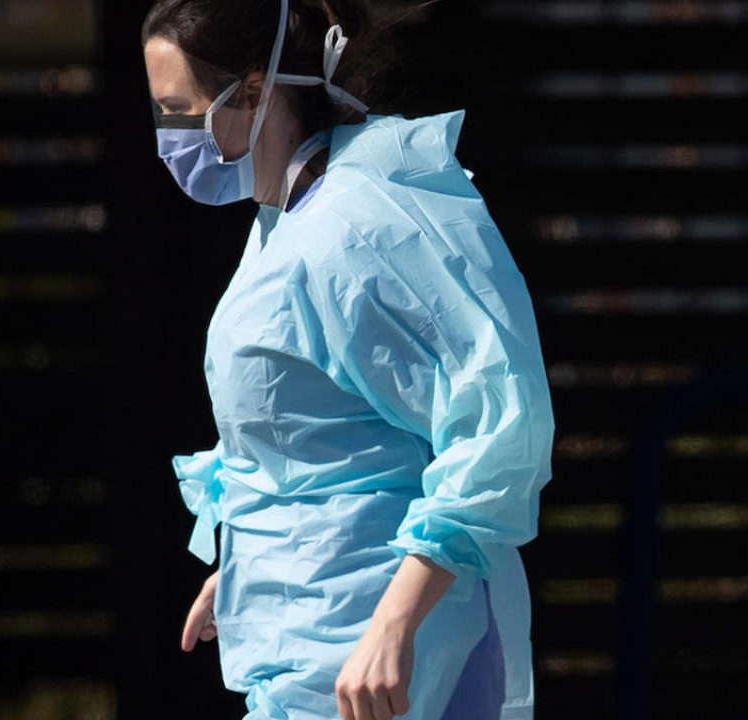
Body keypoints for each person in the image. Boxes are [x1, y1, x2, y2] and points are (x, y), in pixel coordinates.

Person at [140, 2, 556, 719]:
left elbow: (497, 424)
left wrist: (394, 623)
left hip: (385, 662)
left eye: (179, 110)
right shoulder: (288, 220)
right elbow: (310, 438)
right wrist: (249, 566)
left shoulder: (365, 226)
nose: (169, 136)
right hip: (311, 641)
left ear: (251, 92)